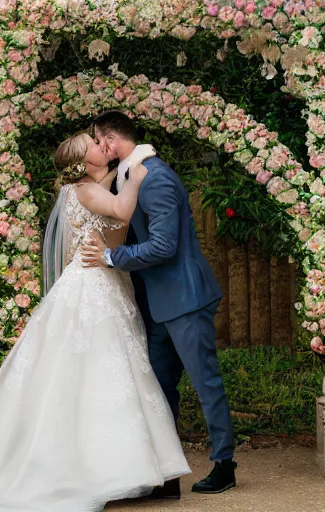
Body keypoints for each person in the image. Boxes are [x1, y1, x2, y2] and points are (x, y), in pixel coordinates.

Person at [0, 132, 191, 511]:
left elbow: (109, 195)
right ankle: (92, 465)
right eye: (93, 142)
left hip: (104, 280)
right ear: (83, 160)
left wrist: (123, 166)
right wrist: (136, 172)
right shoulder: (85, 190)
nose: (101, 144)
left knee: (106, 370)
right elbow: (121, 211)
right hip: (92, 287)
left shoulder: (88, 186)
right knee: (100, 369)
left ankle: (113, 462)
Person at [82, 110, 237, 496]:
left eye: (100, 141)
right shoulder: (132, 175)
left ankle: (225, 464)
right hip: (158, 304)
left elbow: (165, 246)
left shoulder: (157, 178)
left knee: (206, 384)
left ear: (111, 142)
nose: (99, 147)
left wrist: (112, 258)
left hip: (186, 298)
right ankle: (167, 474)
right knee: (160, 388)